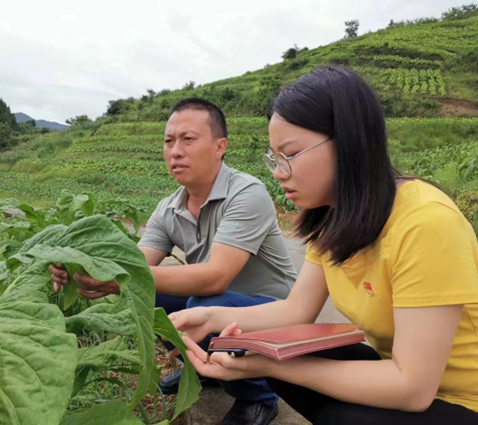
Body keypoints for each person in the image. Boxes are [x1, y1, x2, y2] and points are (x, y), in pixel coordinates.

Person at [169, 68, 478, 425]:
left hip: (461, 399)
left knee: (342, 415)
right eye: (274, 158)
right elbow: (295, 312)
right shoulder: (332, 218)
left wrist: (273, 364)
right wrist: (210, 318)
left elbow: (412, 387)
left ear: (348, 142)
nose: (278, 172)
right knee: (259, 343)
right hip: (400, 374)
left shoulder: (426, 222)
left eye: (290, 154)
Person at [50, 98, 298, 425]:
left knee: (201, 302)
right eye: (169, 141)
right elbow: (134, 263)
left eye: (188, 139)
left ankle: (260, 396)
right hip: (218, 304)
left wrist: (121, 277)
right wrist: (82, 264)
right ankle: (203, 366)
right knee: (149, 295)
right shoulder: (168, 207)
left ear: (219, 146)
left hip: (275, 311)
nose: (175, 151)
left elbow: (216, 278)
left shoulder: (246, 193)